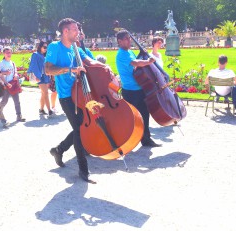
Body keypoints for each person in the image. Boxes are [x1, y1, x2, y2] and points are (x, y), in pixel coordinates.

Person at [45, 18, 110, 183]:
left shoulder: (75, 48)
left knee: (81, 128)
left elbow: (89, 61)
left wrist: (104, 67)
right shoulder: (55, 47)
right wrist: (70, 69)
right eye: (75, 30)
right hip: (67, 95)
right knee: (81, 130)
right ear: (65, 31)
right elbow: (48, 69)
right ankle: (83, 170)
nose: (78, 33)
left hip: (80, 94)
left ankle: (59, 150)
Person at [115, 30, 162, 147]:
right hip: (131, 91)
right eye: (126, 38)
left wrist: (143, 53)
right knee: (133, 117)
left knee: (144, 114)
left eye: (129, 38)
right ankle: (133, 140)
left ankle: (145, 139)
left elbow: (137, 60)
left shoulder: (129, 51)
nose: (129, 40)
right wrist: (147, 61)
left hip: (138, 88)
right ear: (119, 41)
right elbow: (135, 63)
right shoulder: (121, 54)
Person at [0, 47, 26, 122]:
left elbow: (16, 71)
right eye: (7, 52)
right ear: (4, 54)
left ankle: (19, 115)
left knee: (17, 101)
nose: (9, 54)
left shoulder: (12, 62)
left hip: (13, 84)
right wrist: (5, 74)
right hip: (6, 85)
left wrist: (16, 75)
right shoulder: (1, 63)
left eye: (10, 52)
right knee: (4, 101)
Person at [28, 41, 54, 117]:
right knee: (46, 93)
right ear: (40, 47)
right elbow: (33, 65)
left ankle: (41, 109)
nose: (46, 49)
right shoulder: (35, 54)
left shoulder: (45, 56)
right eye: (44, 47)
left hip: (46, 75)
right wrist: (36, 76)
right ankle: (49, 110)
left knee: (43, 93)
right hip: (39, 76)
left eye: (47, 47)